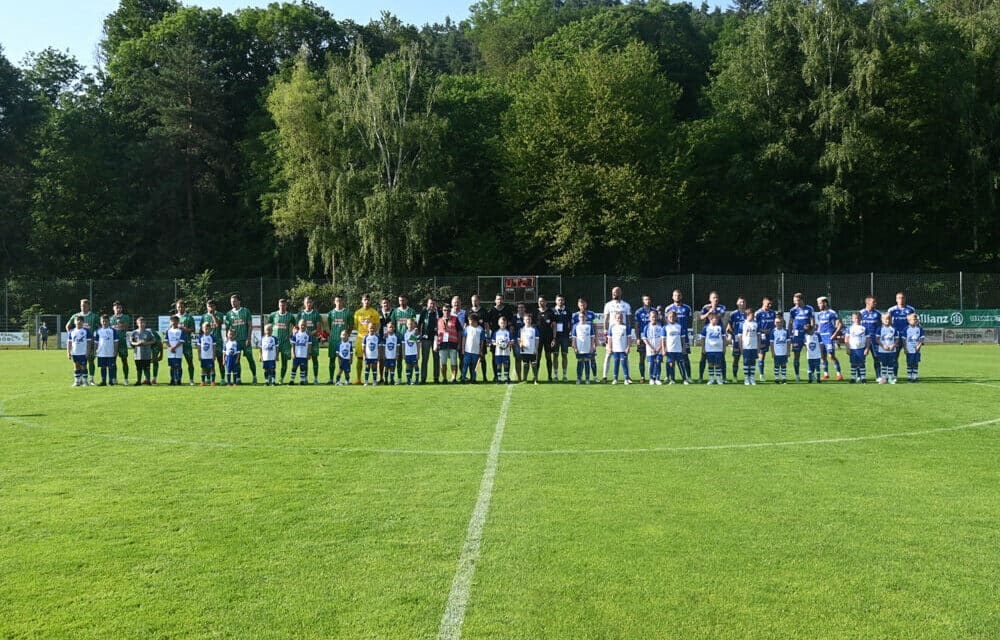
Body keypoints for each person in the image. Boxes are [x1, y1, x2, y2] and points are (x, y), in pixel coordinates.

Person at [225, 294, 257, 384]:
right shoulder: (228, 314)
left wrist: (249, 338)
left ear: (239, 301)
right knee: (236, 360)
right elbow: (227, 328)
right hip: (235, 342)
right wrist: (227, 339)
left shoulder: (246, 311)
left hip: (245, 340)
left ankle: (254, 376)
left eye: (234, 301)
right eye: (231, 302)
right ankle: (238, 378)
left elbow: (250, 325)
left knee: (250, 358)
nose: (233, 303)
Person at [602, 287, 631, 383]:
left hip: (622, 334)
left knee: (625, 355)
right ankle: (604, 376)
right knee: (608, 354)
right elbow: (606, 319)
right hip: (612, 334)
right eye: (613, 292)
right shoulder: (608, 305)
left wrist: (629, 333)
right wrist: (605, 331)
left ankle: (628, 376)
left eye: (616, 292)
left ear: (620, 293)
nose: (614, 294)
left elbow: (628, 320)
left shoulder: (626, 305)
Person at [65, 299, 99, 379]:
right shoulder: (75, 316)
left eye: (84, 306)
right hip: (78, 344)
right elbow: (67, 326)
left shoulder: (94, 316)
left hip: (89, 343)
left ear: (88, 306)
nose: (82, 307)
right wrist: (72, 336)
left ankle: (91, 379)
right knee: (78, 362)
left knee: (91, 360)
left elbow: (99, 327)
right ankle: (79, 379)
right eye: (81, 306)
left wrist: (95, 336)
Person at [665, 290, 693, 383]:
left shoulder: (687, 308)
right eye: (675, 295)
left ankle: (688, 376)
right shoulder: (668, 308)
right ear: (672, 297)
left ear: (681, 296)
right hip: (672, 338)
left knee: (685, 356)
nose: (677, 297)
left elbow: (689, 321)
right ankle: (668, 376)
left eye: (679, 295)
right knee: (670, 358)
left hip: (683, 336)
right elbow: (666, 323)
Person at [486, 294, 515, 382]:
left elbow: (511, 324)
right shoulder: (491, 311)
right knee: (495, 358)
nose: (499, 301)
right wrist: (488, 336)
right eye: (498, 299)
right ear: (495, 300)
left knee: (506, 358)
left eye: (501, 299)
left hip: (506, 338)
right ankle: (496, 376)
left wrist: (509, 336)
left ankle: (507, 376)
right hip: (495, 337)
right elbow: (487, 324)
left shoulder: (507, 310)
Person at [698, 292, 726, 382]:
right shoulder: (705, 307)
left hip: (718, 332)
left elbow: (719, 316)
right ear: (710, 299)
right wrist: (708, 312)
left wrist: (713, 311)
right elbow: (701, 318)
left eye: (717, 297)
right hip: (708, 332)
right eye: (714, 297)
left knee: (721, 357)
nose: (716, 299)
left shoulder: (722, 307)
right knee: (703, 355)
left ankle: (723, 377)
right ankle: (701, 377)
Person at [353, 295, 380, 384]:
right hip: (361, 339)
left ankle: (374, 379)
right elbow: (356, 326)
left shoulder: (374, 312)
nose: (366, 301)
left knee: (373, 360)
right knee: (360, 359)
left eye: (368, 300)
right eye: (365, 300)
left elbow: (376, 326)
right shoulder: (357, 313)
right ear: (362, 301)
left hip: (371, 339)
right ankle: (358, 379)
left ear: (370, 301)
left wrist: (370, 335)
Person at [815, 296, 844, 381]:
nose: (818, 305)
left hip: (828, 337)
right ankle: (826, 374)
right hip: (821, 337)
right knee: (822, 356)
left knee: (831, 356)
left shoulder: (832, 313)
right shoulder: (819, 314)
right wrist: (817, 333)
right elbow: (820, 325)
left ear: (825, 303)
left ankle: (839, 374)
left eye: (819, 303)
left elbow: (840, 325)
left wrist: (834, 335)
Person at [788, 293, 815, 382]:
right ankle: (797, 375)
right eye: (794, 301)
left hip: (807, 335)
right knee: (796, 355)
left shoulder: (809, 308)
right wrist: (790, 335)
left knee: (811, 354)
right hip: (797, 335)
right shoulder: (793, 310)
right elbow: (790, 323)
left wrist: (811, 331)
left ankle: (811, 374)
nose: (795, 302)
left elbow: (812, 321)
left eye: (796, 300)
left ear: (801, 300)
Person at [268, 298, 296, 384]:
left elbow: (296, 326)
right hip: (274, 342)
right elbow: (268, 325)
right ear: (278, 305)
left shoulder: (290, 316)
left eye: (283, 305)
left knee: (285, 361)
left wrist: (292, 333)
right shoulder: (273, 315)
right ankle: (271, 378)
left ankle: (281, 379)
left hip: (285, 342)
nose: (282, 307)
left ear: (286, 306)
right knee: (271, 361)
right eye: (280, 305)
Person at [887, 292, 915, 374]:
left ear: (905, 299)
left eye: (902, 298)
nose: (901, 299)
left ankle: (912, 376)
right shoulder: (891, 310)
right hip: (896, 338)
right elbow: (888, 322)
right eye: (899, 298)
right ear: (896, 299)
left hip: (908, 337)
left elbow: (914, 322)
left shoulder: (911, 309)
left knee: (911, 356)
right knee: (894, 357)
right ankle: (895, 376)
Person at [297, 296, 323, 384]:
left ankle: (315, 378)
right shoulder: (300, 314)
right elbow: (296, 327)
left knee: (314, 358)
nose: (308, 304)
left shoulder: (316, 314)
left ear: (312, 303)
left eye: (310, 302)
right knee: (305, 359)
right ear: (304, 303)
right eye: (307, 302)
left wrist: (310, 334)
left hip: (313, 340)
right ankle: (305, 378)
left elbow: (318, 328)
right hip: (303, 341)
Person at [391, 294, 417, 381]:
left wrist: (415, 336)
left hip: (410, 340)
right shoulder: (395, 311)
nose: (401, 302)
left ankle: (410, 378)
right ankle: (399, 378)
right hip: (399, 338)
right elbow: (392, 325)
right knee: (398, 359)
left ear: (407, 301)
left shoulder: (411, 311)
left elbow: (415, 325)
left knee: (410, 360)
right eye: (400, 300)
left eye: (403, 300)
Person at [173, 299, 198, 385]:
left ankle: (191, 380)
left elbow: (193, 329)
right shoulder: (174, 318)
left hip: (186, 343)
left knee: (190, 362)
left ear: (185, 307)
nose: (180, 308)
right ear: (176, 308)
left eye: (182, 307)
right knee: (177, 363)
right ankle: (178, 379)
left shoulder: (189, 317)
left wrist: (185, 329)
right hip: (177, 344)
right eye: (178, 307)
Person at [436, 304, 461, 384]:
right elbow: (436, 334)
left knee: (454, 362)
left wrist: (459, 344)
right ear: (442, 311)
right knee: (443, 363)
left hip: (453, 343)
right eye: (445, 310)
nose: (446, 312)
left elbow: (459, 332)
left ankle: (453, 378)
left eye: (448, 310)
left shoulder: (455, 319)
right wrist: (436, 344)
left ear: (451, 311)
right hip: (442, 344)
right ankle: (444, 378)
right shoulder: (439, 320)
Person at [203, 299, 226, 385]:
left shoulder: (219, 314)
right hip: (208, 343)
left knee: (220, 361)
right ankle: (209, 379)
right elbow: (202, 330)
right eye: (209, 306)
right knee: (209, 361)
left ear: (215, 307)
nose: (210, 308)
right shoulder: (204, 316)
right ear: (206, 307)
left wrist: (213, 315)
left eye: (212, 306)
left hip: (218, 341)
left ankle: (223, 378)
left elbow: (218, 324)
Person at [417, 297, 440, 384]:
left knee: (436, 358)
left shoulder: (439, 312)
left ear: (436, 304)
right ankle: (423, 378)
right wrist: (419, 335)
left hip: (436, 338)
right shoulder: (424, 312)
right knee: (425, 359)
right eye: (430, 303)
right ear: (427, 304)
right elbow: (419, 325)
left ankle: (436, 378)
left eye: (433, 303)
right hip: (425, 339)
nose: (432, 305)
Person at [466, 294, 489, 381]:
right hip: (471, 340)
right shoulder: (468, 311)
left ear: (478, 301)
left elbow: (486, 325)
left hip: (481, 339)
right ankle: (472, 377)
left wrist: (487, 337)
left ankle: (484, 376)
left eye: (475, 300)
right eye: (472, 301)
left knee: (482, 357)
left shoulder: (483, 311)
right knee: (471, 359)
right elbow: (466, 325)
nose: (474, 302)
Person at [859, 296, 883, 380]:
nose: (875, 303)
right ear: (867, 303)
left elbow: (881, 326)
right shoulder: (861, 313)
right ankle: (860, 376)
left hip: (874, 340)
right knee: (861, 358)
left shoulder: (878, 313)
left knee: (877, 358)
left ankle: (878, 376)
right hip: (863, 340)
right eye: (873, 302)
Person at [551, 295, 572, 382]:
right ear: (556, 301)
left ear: (564, 301)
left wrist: (569, 334)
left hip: (564, 336)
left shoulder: (568, 311)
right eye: (558, 300)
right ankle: (555, 375)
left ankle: (564, 375)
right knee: (555, 355)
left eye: (562, 300)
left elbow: (570, 324)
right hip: (555, 337)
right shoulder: (552, 311)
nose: (560, 301)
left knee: (564, 355)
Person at [663, 310, 688, 384]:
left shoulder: (679, 326)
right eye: (670, 317)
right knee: (671, 364)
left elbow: (683, 338)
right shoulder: (665, 327)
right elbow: (663, 339)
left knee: (681, 364)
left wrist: (684, 348)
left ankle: (684, 379)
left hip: (678, 349)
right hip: (670, 349)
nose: (672, 318)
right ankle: (672, 379)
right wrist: (664, 349)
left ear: (676, 317)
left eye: (673, 316)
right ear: (667, 318)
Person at [701, 312, 727, 385]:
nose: (716, 320)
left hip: (718, 349)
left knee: (718, 364)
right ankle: (711, 379)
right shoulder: (706, 327)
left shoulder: (720, 327)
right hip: (709, 349)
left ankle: (719, 379)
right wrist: (703, 348)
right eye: (715, 319)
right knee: (710, 364)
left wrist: (724, 347)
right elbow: (702, 338)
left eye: (717, 319)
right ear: (710, 319)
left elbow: (724, 338)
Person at [607, 310, 632, 385]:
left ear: (622, 318)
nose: (619, 319)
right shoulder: (612, 327)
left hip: (623, 349)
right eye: (618, 318)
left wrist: (628, 347)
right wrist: (609, 347)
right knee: (616, 364)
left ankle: (626, 379)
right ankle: (615, 379)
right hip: (615, 349)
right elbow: (609, 338)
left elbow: (629, 338)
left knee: (624, 364)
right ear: (615, 318)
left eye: (620, 318)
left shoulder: (626, 326)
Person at [754, 298, 777, 381]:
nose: (770, 305)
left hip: (772, 336)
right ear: (763, 302)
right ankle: (761, 375)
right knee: (762, 355)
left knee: (776, 355)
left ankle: (777, 375)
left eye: (771, 304)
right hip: (763, 336)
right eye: (768, 303)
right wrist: (763, 330)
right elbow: (754, 325)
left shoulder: (773, 313)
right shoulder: (758, 313)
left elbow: (776, 323)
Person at [65, 315, 91, 386]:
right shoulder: (71, 331)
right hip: (75, 352)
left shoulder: (86, 331)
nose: (79, 321)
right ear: (74, 322)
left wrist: (88, 352)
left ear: (83, 322)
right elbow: (69, 343)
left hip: (83, 352)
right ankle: (77, 381)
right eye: (77, 320)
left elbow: (89, 343)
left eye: (81, 320)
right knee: (76, 366)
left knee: (84, 366)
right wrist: (68, 352)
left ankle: (85, 381)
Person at [110, 301, 132, 385]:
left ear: (121, 309)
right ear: (113, 309)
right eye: (116, 308)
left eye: (119, 308)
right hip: (113, 343)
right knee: (113, 361)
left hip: (122, 341)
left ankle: (126, 379)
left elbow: (125, 327)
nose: (118, 309)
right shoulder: (111, 318)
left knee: (124, 360)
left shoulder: (125, 317)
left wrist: (120, 323)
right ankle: (114, 378)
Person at [845, 312, 870, 384]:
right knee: (853, 364)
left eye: (858, 318)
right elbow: (846, 339)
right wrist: (847, 348)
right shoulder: (849, 328)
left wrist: (867, 348)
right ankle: (853, 378)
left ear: (861, 318)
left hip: (861, 348)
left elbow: (868, 339)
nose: (857, 319)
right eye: (855, 318)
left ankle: (863, 378)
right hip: (853, 349)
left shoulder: (864, 328)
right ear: (852, 319)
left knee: (862, 363)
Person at [634, 295, 654, 383]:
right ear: (643, 301)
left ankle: (652, 376)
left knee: (653, 357)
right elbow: (636, 326)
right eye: (646, 299)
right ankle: (642, 376)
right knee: (642, 357)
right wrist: (637, 338)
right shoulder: (638, 312)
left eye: (649, 299)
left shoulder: (654, 311)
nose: (647, 301)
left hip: (653, 338)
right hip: (642, 338)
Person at [535, 296, 555, 381]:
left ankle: (550, 376)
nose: (541, 303)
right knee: (537, 357)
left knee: (548, 357)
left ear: (545, 302)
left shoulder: (550, 312)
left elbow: (554, 326)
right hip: (538, 339)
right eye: (539, 301)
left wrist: (554, 338)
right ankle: (536, 376)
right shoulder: (535, 312)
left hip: (548, 338)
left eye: (542, 301)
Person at [572, 310, 595, 384]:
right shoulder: (576, 326)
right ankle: (579, 378)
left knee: (586, 362)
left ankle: (587, 379)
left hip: (587, 348)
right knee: (579, 362)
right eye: (580, 317)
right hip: (579, 348)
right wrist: (575, 347)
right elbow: (574, 338)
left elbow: (592, 337)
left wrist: (592, 347)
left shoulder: (589, 326)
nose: (582, 318)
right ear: (578, 318)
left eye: (583, 317)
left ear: (586, 317)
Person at [95, 314, 119, 386]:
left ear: (109, 321)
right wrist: (95, 350)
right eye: (103, 321)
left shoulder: (113, 330)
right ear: (100, 321)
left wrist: (115, 351)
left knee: (111, 367)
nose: (104, 322)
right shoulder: (98, 331)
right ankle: (103, 381)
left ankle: (111, 381)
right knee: (103, 367)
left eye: (106, 321)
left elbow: (116, 341)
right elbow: (96, 342)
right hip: (101, 352)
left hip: (110, 352)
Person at [642, 309, 665, 385]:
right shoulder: (646, 327)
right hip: (650, 349)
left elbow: (663, 338)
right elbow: (644, 338)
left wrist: (659, 348)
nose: (653, 318)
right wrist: (650, 348)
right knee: (651, 363)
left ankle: (657, 379)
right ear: (649, 318)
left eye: (655, 317)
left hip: (659, 349)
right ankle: (651, 378)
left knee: (658, 363)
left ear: (657, 317)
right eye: (652, 317)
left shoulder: (661, 327)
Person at [727, 297, 747, 381]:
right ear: (737, 303)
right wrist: (733, 334)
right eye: (740, 302)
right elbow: (729, 326)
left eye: (743, 302)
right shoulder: (733, 314)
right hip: (736, 339)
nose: (742, 304)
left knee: (747, 358)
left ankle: (748, 376)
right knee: (736, 358)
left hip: (747, 338)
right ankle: (735, 376)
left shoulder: (747, 314)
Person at [130, 317, 154, 386]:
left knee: (147, 368)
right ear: (137, 324)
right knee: (139, 369)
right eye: (140, 323)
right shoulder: (134, 332)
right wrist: (137, 343)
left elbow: (153, 341)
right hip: (137, 354)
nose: (141, 324)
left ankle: (148, 380)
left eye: (143, 323)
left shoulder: (148, 332)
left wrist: (145, 343)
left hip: (147, 354)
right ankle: (138, 381)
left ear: (145, 324)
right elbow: (131, 342)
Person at [460, 314, 484, 383]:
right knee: (465, 365)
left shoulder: (480, 329)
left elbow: (482, 341)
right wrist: (463, 349)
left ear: (475, 321)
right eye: (469, 321)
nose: (469, 322)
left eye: (471, 321)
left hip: (476, 352)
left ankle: (473, 379)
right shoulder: (467, 328)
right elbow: (464, 339)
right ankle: (463, 378)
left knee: (474, 367)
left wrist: (481, 350)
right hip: (467, 351)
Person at [876, 313, 899, 384]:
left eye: (888, 318)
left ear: (891, 319)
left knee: (891, 364)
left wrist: (893, 345)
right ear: (882, 320)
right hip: (882, 350)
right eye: (885, 319)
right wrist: (883, 346)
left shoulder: (894, 329)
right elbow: (877, 339)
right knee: (883, 364)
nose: (887, 320)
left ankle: (890, 378)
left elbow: (897, 339)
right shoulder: (879, 329)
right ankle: (883, 378)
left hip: (892, 350)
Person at [165, 315, 186, 386]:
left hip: (178, 351)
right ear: (170, 322)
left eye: (175, 321)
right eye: (172, 321)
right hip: (170, 351)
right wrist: (170, 347)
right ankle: (172, 380)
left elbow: (182, 341)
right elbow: (166, 341)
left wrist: (175, 347)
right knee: (172, 366)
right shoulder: (168, 331)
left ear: (178, 322)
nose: (173, 322)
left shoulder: (181, 331)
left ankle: (179, 380)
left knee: (178, 366)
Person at [519, 313, 540, 384]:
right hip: (524, 351)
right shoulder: (521, 330)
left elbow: (537, 340)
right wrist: (521, 345)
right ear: (524, 320)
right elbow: (519, 340)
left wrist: (536, 349)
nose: (527, 321)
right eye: (526, 319)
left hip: (532, 350)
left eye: (529, 319)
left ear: (531, 320)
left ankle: (536, 379)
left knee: (534, 364)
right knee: (525, 364)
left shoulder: (534, 329)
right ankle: (525, 379)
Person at [740, 306, 758, 385]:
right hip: (746, 347)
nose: (753, 316)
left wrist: (758, 346)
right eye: (752, 315)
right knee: (746, 362)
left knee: (753, 362)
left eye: (753, 315)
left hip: (754, 346)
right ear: (747, 315)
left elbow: (759, 336)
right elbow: (740, 336)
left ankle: (752, 378)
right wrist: (741, 347)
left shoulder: (756, 324)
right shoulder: (743, 324)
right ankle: (746, 378)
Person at [904, 312, 925, 383]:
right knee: (909, 363)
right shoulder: (906, 329)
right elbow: (904, 339)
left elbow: (922, 338)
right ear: (909, 320)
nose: (915, 320)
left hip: (917, 349)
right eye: (913, 319)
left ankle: (915, 377)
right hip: (909, 349)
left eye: (916, 319)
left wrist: (919, 345)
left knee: (916, 363)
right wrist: (905, 348)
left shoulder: (919, 329)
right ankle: (909, 377)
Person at [290, 319, 311, 385]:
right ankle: (292, 380)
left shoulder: (307, 335)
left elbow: (310, 345)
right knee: (294, 368)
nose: (303, 326)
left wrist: (309, 354)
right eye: (301, 325)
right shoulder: (295, 334)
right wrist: (293, 353)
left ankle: (302, 381)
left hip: (304, 355)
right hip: (296, 355)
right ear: (298, 325)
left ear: (306, 326)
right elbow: (293, 344)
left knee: (302, 368)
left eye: (304, 325)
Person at [492, 316, 513, 384]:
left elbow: (512, 341)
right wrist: (498, 344)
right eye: (501, 323)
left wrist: (507, 343)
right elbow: (493, 342)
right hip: (498, 352)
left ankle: (506, 378)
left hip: (506, 353)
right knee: (498, 365)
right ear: (499, 323)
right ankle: (499, 379)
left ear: (506, 324)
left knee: (506, 364)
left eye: (504, 323)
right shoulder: (496, 333)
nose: (503, 324)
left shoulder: (508, 332)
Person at [196, 321, 217, 386]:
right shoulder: (200, 337)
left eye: (208, 329)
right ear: (202, 329)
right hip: (203, 356)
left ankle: (213, 381)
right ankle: (203, 381)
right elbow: (199, 348)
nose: (207, 330)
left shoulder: (212, 337)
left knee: (212, 368)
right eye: (205, 329)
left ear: (210, 329)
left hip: (210, 356)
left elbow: (214, 347)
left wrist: (214, 355)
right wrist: (199, 355)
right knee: (203, 369)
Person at [377, 297, 393, 383]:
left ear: (389, 304)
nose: (385, 304)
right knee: (381, 359)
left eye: (387, 303)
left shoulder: (393, 312)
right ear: (381, 304)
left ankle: (391, 378)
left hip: (390, 339)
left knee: (390, 358)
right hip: (380, 338)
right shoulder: (377, 313)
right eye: (384, 303)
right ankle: (381, 377)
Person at [771, 316, 790, 384]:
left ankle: (784, 378)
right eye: (777, 322)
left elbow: (788, 341)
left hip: (784, 352)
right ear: (775, 323)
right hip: (777, 352)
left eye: (780, 322)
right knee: (776, 365)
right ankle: (777, 378)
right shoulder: (773, 331)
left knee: (784, 365)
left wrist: (788, 351)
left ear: (783, 323)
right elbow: (771, 342)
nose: (779, 324)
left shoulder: (786, 331)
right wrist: (773, 352)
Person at [403, 318, 421, 385]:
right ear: (406, 325)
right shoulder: (405, 333)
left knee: (415, 366)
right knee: (408, 366)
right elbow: (403, 344)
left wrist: (418, 353)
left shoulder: (415, 332)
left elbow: (418, 343)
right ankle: (409, 380)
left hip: (414, 353)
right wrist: (403, 353)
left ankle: (417, 380)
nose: (410, 325)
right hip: (407, 353)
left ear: (414, 324)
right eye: (408, 324)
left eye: (411, 324)